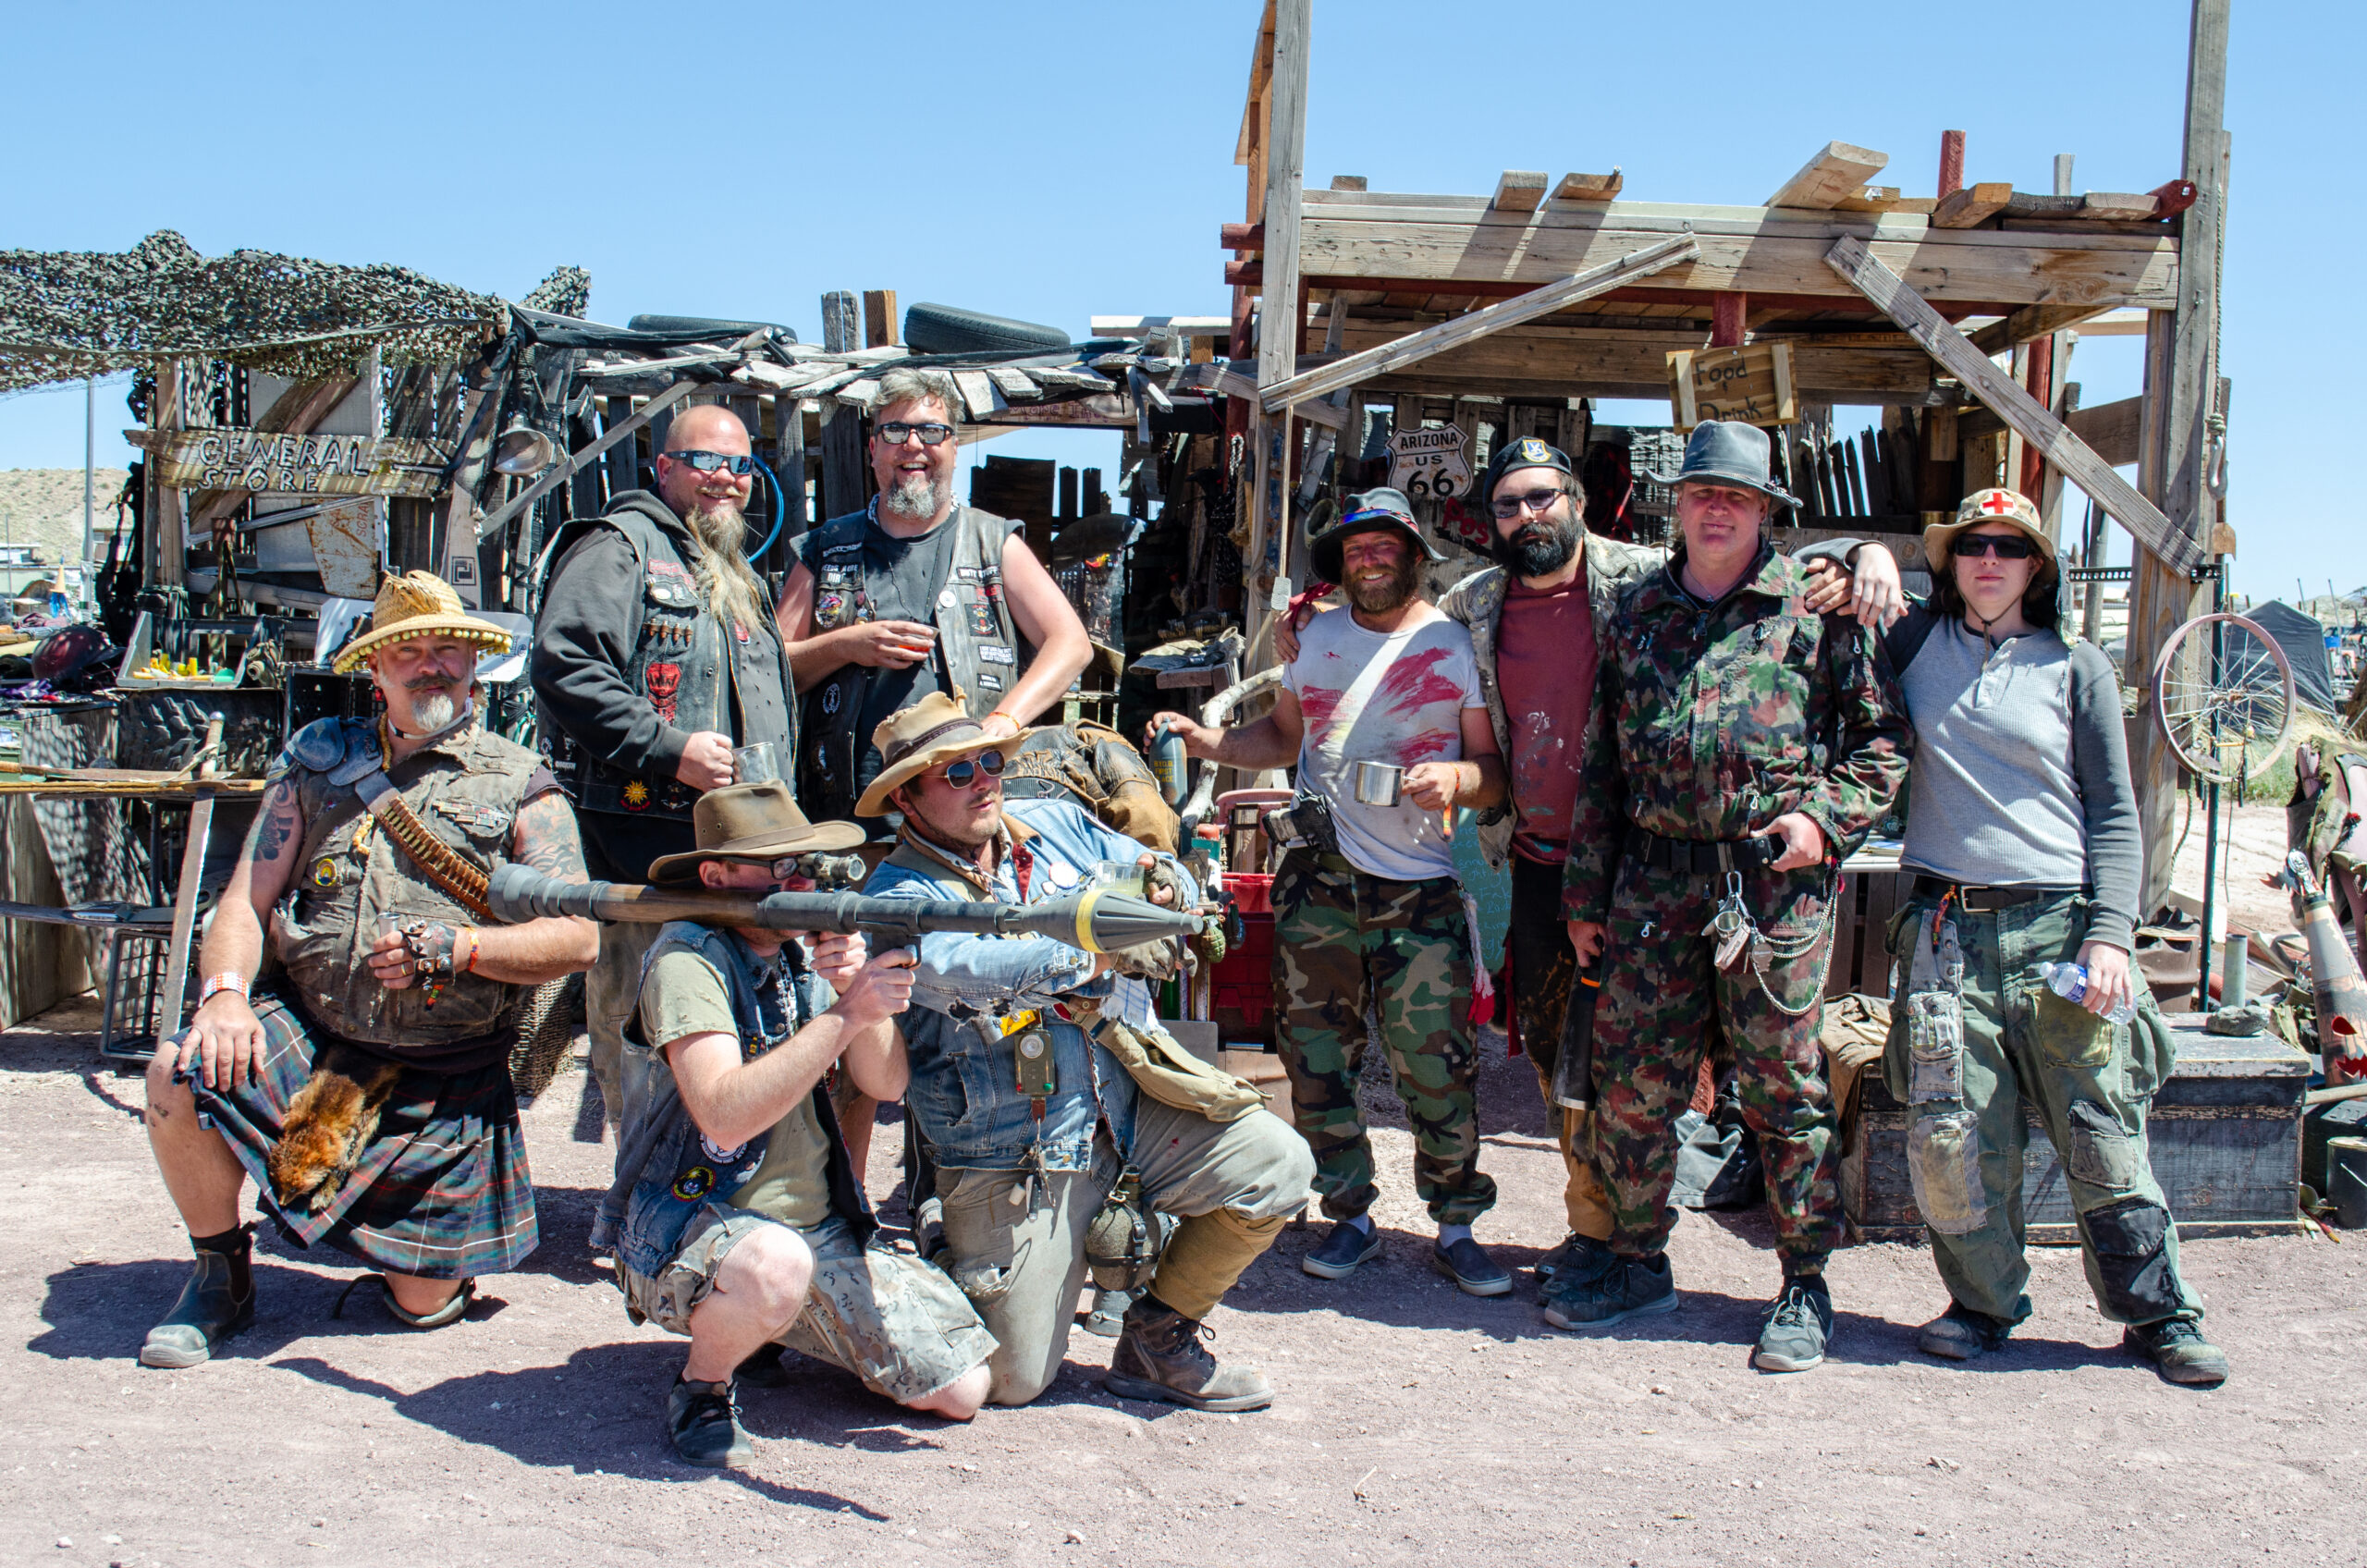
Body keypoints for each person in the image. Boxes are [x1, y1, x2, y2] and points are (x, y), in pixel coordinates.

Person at [1275, 440, 1903, 1293]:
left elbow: (1871, 722)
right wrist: (1315, 607)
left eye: (1542, 497)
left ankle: (1794, 1278)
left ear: (1576, 499)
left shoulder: (1645, 585)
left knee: (1764, 1076)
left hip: (1714, 878)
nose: (1526, 515)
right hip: (1564, 866)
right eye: (1508, 504)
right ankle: (1606, 1238)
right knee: (1584, 1064)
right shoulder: (1483, 602)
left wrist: (1862, 555)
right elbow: (1392, 609)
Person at [139, 571, 601, 1367]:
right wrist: (224, 998)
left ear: (474, 663)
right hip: (319, 1037)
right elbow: (244, 900)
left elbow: (579, 940)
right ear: (376, 670)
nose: (431, 665)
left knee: (423, 1308)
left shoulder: (521, 780)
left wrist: (461, 948)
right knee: (180, 1070)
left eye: (448, 648)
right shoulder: (316, 765)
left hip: (445, 1072)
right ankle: (220, 1274)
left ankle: (401, 1249)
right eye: (408, 651)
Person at [1559, 423, 1910, 1371]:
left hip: (1772, 888)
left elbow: (1881, 743)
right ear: (1678, 504)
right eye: (1703, 493)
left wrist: (1823, 824)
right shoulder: (1636, 609)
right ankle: (1637, 1260)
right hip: (1651, 883)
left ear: (1764, 511)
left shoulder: (1818, 607)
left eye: (1738, 497)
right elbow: (1601, 761)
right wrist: (1585, 897)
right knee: (1634, 1086)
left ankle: (1804, 1281)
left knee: (1783, 1089)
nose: (1717, 509)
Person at [861, 692, 1314, 1410]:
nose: (984, 781)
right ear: (906, 799)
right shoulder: (895, 894)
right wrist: (1101, 950)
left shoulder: (1057, 824)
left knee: (1278, 1164)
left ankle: (1158, 1342)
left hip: (1123, 1106)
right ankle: (942, 1243)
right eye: (957, 773)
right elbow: (973, 968)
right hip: (1016, 1152)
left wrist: (1167, 889)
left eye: (990, 761)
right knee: (1011, 1382)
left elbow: (1156, 869)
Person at [1871, 488, 2228, 1384]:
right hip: (1946, 935)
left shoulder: (2078, 666)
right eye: (1972, 546)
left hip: (2059, 935)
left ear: (2037, 565)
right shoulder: (1911, 647)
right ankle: (1983, 1307)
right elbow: (1825, 596)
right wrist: (1865, 557)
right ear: (1950, 562)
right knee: (1953, 1136)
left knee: (2103, 1132)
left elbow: (2115, 813)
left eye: (2009, 546)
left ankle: (2159, 1315)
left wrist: (2111, 935)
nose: (1989, 560)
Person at [1157, 487, 1514, 1296]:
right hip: (1317, 879)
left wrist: (1457, 778)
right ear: (1341, 563)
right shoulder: (1314, 637)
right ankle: (1348, 1214)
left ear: (1415, 556)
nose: (1371, 559)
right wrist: (1207, 740)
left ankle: (1457, 1224)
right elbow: (1284, 736)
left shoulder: (1454, 646)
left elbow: (1494, 774)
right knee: (1316, 1060)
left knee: (1436, 1065)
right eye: (1357, 548)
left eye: (1386, 546)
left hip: (1419, 888)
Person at [603, 779, 996, 1467]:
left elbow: (887, 1083)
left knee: (964, 1390)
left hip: (816, 1228)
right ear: (715, 877)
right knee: (774, 1266)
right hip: (696, 1224)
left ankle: (765, 1326)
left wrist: (851, 989)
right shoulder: (687, 959)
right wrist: (846, 1014)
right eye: (776, 866)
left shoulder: (799, 949)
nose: (799, 882)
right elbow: (724, 1117)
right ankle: (704, 1385)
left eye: (804, 864)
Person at [533, 403, 799, 1135]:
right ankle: (641, 1199)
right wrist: (668, 748)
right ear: (664, 468)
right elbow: (565, 664)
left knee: (737, 1055)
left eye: (740, 466)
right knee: (649, 1053)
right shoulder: (619, 545)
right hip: (647, 869)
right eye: (705, 461)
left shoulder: (731, 569)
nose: (725, 478)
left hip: (741, 864)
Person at [777, 366, 1093, 823]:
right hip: (851, 822)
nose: (913, 445)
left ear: (954, 448)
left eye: (931, 431)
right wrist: (845, 645)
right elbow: (772, 669)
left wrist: (1003, 722)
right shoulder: (825, 548)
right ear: (873, 449)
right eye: (895, 431)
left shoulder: (994, 542)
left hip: (971, 821)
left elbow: (1071, 644)